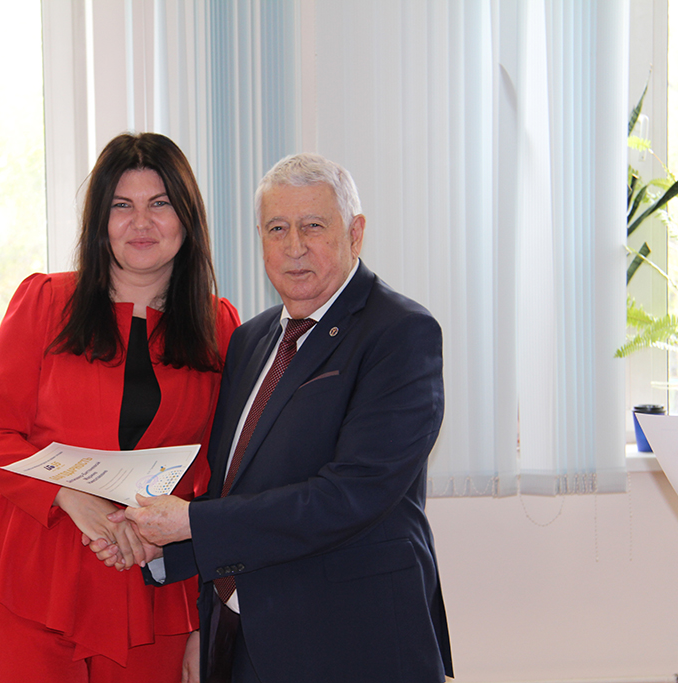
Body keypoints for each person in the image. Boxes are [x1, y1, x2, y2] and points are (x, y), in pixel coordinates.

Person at [105, 153, 453, 682]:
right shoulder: (251, 339)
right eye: (277, 228)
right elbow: (235, 487)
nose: (294, 247)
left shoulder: (400, 332)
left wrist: (191, 523)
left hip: (355, 641)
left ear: (355, 233)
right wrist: (166, 545)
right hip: (246, 635)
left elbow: (353, 494)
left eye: (313, 226)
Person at [0, 132, 240, 683]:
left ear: (187, 217)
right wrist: (71, 496)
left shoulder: (220, 326)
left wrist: (207, 616)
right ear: (99, 221)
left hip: (154, 581)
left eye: (160, 204)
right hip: (36, 576)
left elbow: (224, 478)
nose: (141, 223)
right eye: (122, 206)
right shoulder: (45, 301)